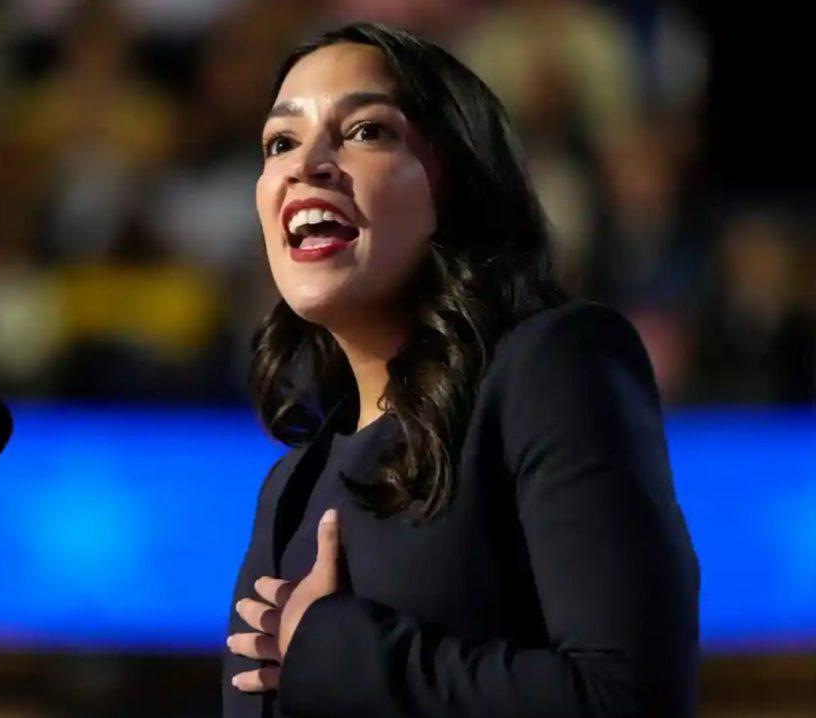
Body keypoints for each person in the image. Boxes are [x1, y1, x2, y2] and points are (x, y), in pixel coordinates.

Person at [222, 23, 699, 718]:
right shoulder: (289, 488)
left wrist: (338, 650)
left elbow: (627, 698)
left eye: (364, 132)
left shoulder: (555, 367)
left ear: (458, 182)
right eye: (280, 143)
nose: (307, 165)